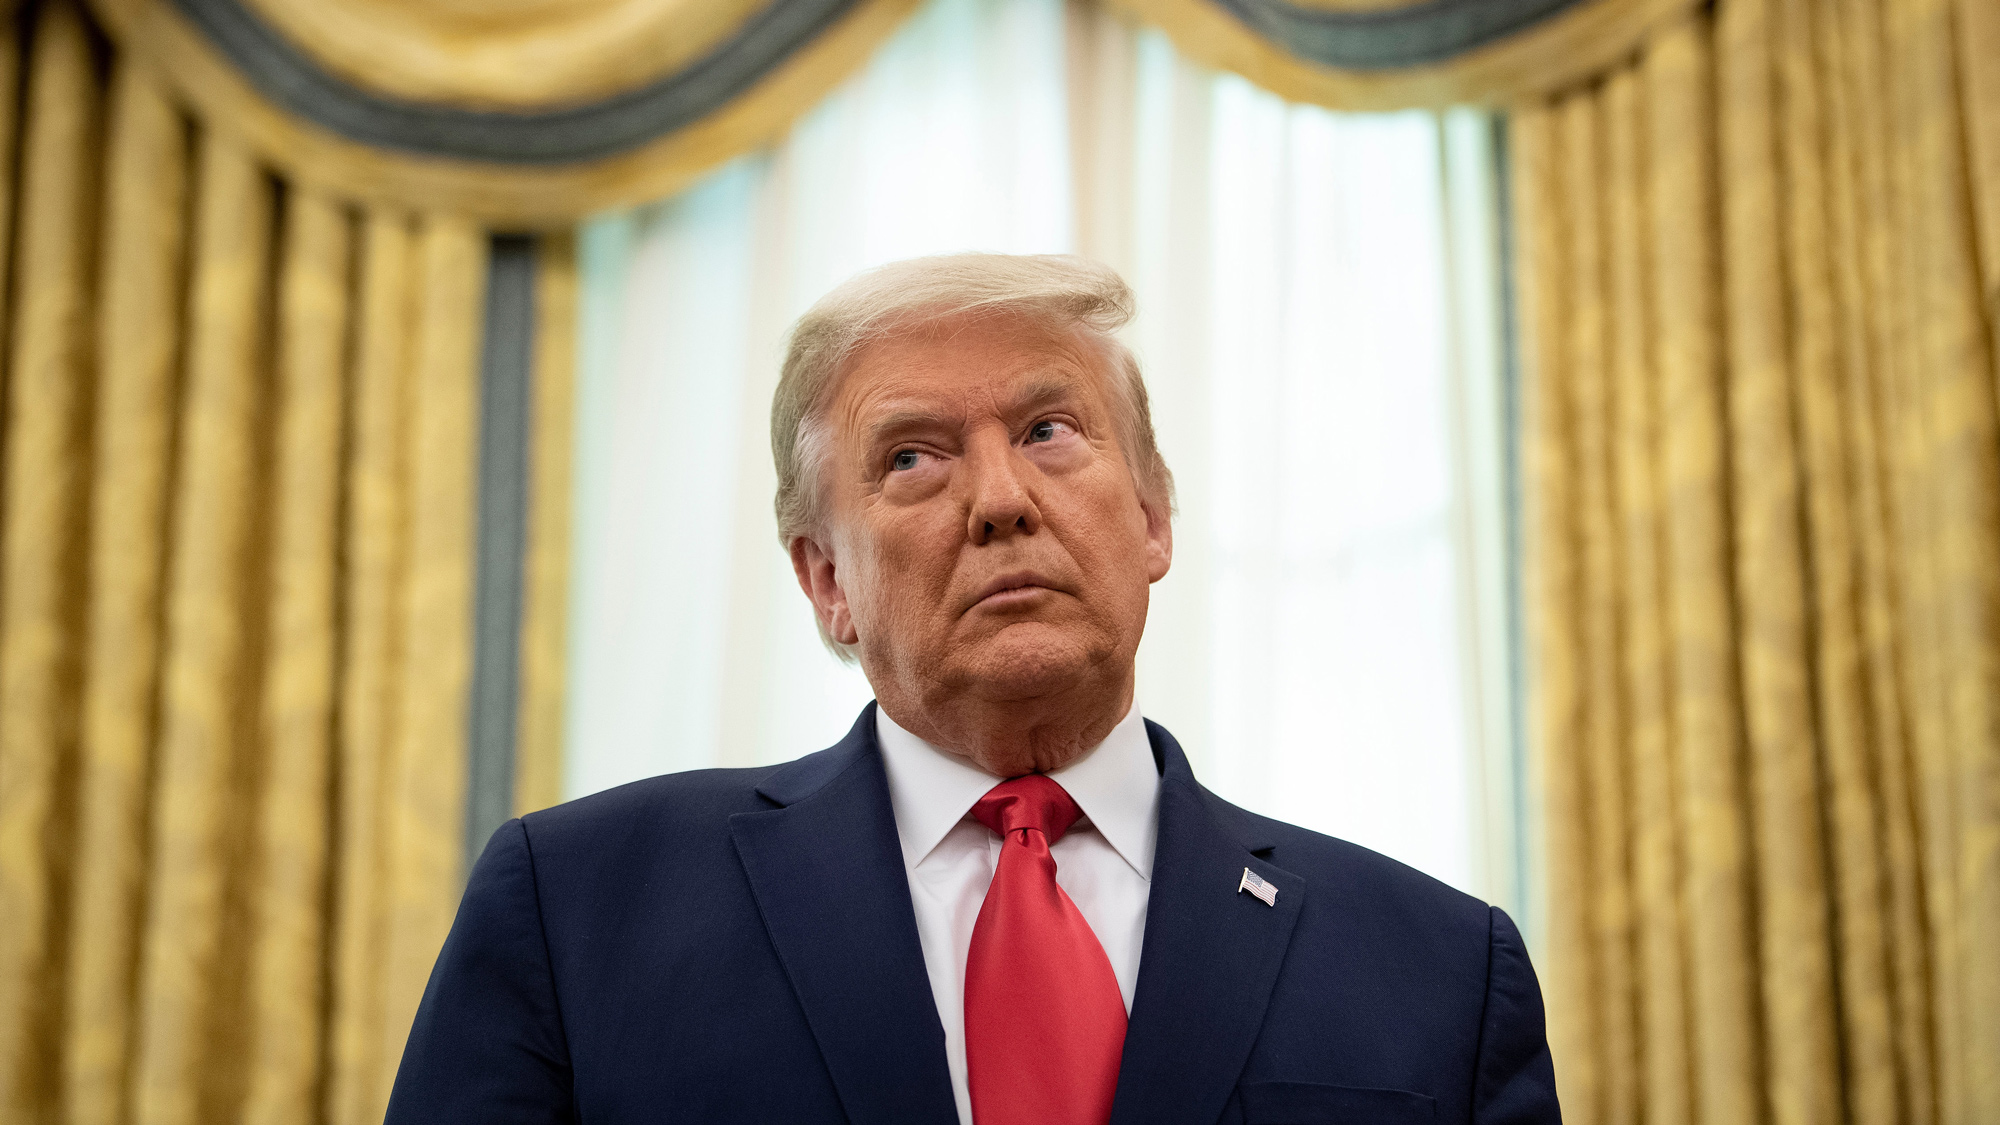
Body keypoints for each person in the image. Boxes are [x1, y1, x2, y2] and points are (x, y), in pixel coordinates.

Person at [386, 253, 1560, 1125]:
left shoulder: (1440, 973)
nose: (998, 498)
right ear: (825, 579)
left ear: (1151, 517)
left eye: (1050, 430)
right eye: (911, 457)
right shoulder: (578, 910)